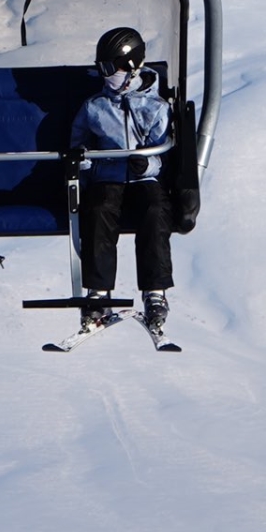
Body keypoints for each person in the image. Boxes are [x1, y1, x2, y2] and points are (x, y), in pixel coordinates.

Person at [69, 26, 175, 333]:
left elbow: (167, 153)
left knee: (155, 211)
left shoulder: (156, 107)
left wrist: (149, 163)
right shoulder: (95, 107)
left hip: (143, 179)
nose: (106, 75)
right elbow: (78, 143)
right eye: (101, 68)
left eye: (109, 67)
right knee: (99, 210)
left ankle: (155, 292)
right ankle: (98, 293)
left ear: (131, 65)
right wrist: (84, 162)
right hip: (108, 176)